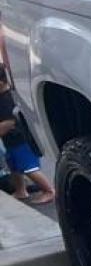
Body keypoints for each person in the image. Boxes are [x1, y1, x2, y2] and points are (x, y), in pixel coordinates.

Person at [0, 73, 53, 205]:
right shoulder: (2, 97)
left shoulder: (7, 99)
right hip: (11, 141)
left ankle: (49, 190)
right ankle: (20, 190)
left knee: (29, 168)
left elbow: (9, 122)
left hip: (21, 140)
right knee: (14, 167)